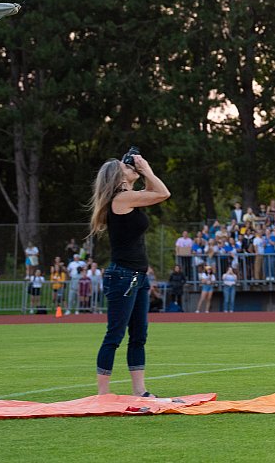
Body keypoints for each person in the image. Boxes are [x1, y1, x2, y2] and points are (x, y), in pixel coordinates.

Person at [90, 149, 171, 397]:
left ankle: (140, 390)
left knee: (139, 335)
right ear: (117, 177)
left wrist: (144, 170)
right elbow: (163, 193)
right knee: (115, 334)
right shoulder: (121, 199)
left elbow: (154, 191)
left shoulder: (130, 197)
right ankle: (103, 394)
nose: (131, 166)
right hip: (123, 276)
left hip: (138, 276)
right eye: (125, 166)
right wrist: (145, 168)